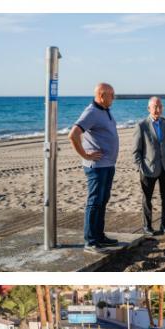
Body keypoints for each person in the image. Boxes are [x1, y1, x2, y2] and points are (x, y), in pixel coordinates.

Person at [68, 83, 119, 254]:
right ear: (102, 95)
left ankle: (99, 236)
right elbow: (73, 134)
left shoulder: (105, 109)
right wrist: (85, 155)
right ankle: (90, 241)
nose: (114, 97)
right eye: (111, 94)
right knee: (94, 202)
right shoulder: (91, 111)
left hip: (108, 165)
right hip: (96, 167)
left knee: (102, 201)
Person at [132, 97, 165, 235]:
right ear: (149, 109)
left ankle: (164, 225)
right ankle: (147, 226)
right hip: (148, 168)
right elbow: (136, 151)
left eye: (160, 106)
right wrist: (140, 167)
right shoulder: (141, 125)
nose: (157, 109)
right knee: (147, 198)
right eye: (154, 107)